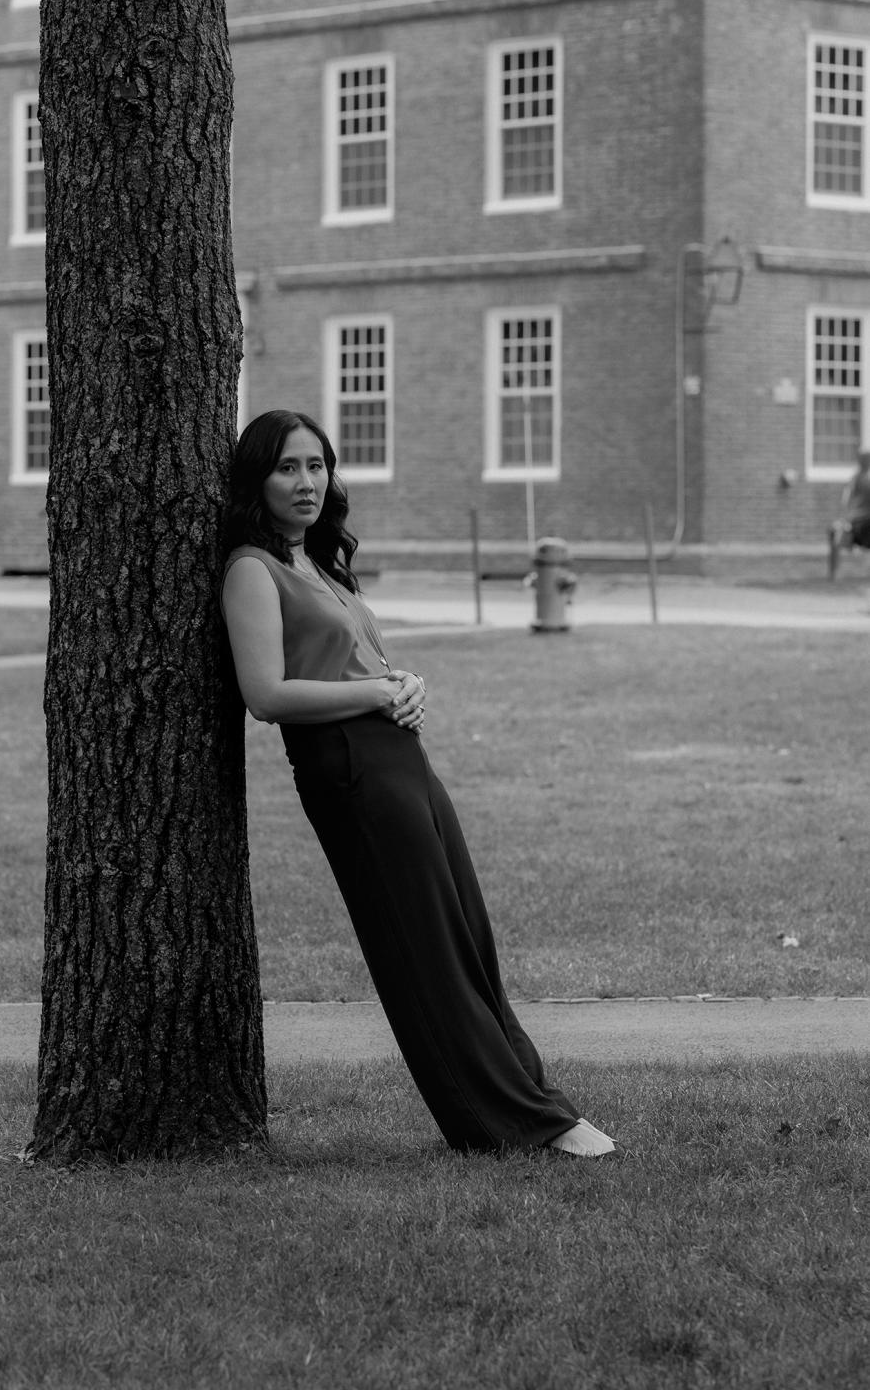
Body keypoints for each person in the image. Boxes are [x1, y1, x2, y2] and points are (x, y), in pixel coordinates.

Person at [221, 409, 616, 1158]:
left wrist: (402, 682)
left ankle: (532, 1098)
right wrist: (375, 694)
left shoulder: (320, 560)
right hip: (348, 767)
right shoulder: (252, 569)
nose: (307, 482)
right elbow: (266, 695)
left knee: (466, 933)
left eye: (316, 465)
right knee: (424, 946)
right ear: (257, 479)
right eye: (286, 468)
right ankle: (511, 1122)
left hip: (401, 759)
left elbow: (358, 663)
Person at [838, 448, 870, 549]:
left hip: (855, 518)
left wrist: (845, 517)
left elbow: (845, 500)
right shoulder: (863, 479)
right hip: (863, 520)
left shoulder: (855, 478)